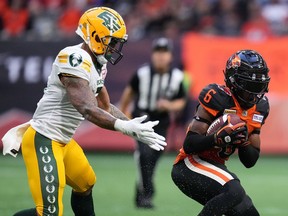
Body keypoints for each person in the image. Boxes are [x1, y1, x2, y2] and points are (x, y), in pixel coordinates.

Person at [1, 7, 166, 216]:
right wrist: (125, 127)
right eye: (112, 41)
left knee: (85, 183)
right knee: (49, 212)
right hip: (45, 138)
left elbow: (105, 106)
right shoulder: (73, 57)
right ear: (95, 36)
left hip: (63, 140)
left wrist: (134, 126)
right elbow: (87, 108)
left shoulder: (97, 64)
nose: (115, 46)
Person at [171, 50, 270, 216]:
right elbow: (189, 145)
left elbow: (250, 161)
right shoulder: (218, 97)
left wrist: (243, 141)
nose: (254, 93)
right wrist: (217, 138)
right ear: (234, 81)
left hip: (216, 167)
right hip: (189, 165)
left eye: (259, 85)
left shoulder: (260, 108)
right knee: (234, 190)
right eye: (250, 85)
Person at [119, 37, 187, 209]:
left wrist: (169, 105)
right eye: (158, 52)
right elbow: (129, 93)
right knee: (144, 154)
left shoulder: (177, 76)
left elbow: (181, 100)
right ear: (153, 55)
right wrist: (123, 115)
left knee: (154, 157)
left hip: (162, 121)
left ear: (170, 56)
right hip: (142, 116)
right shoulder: (142, 73)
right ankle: (148, 193)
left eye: (164, 53)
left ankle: (141, 191)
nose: (161, 57)